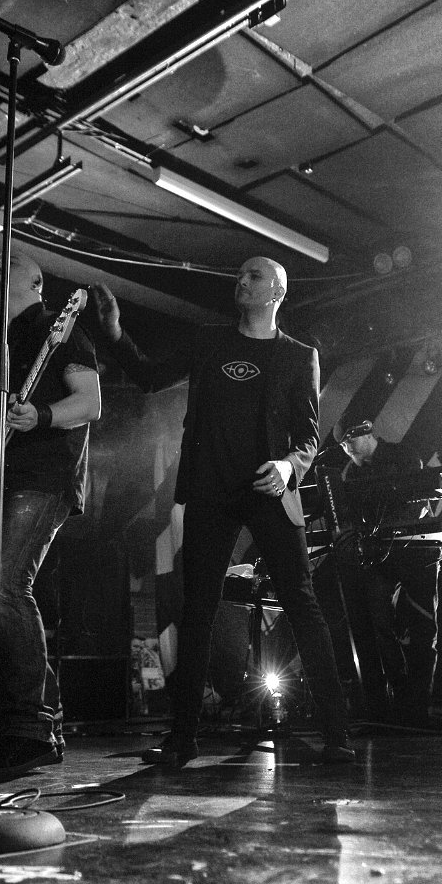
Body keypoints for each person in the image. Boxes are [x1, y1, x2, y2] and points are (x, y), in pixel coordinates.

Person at [92, 257, 354, 766]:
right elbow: (149, 376)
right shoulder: (208, 341)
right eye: (240, 274)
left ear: (277, 292)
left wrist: (288, 465)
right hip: (210, 490)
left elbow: (308, 436)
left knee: (301, 602)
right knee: (197, 610)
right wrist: (115, 333)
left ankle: (336, 733)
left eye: (254, 276)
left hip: (268, 491)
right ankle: (182, 738)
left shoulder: (299, 356)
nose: (241, 280)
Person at [0, 242, 101, 782]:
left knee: (7, 585)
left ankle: (33, 728)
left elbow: (90, 402)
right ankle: (14, 726)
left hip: (43, 477)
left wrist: (42, 415)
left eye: (12, 260)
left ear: (36, 283)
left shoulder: (59, 328)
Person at [331, 413, 442, 728]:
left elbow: (411, 500)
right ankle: (398, 698)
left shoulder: (402, 455)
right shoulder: (351, 474)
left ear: (367, 433)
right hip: (381, 556)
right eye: (342, 445)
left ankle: (418, 708)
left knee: (423, 627)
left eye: (351, 440)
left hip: (417, 552)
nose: (347, 448)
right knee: (379, 624)